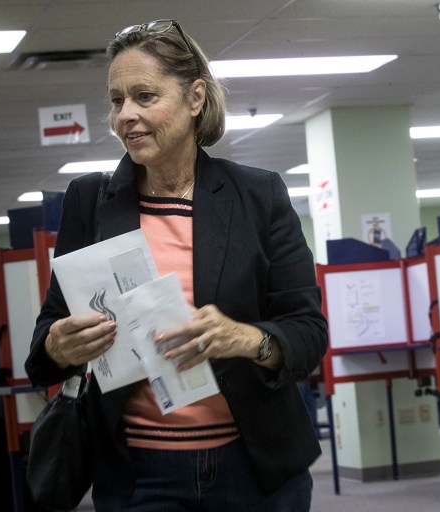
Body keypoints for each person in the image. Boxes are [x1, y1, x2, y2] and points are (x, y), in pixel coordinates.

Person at [25, 19, 327, 511]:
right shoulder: (90, 201)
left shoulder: (257, 195)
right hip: (139, 476)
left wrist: (246, 338)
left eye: (145, 96)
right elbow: (43, 349)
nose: (126, 115)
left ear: (195, 98)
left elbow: (308, 333)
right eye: (117, 101)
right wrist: (59, 344)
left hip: (255, 470)